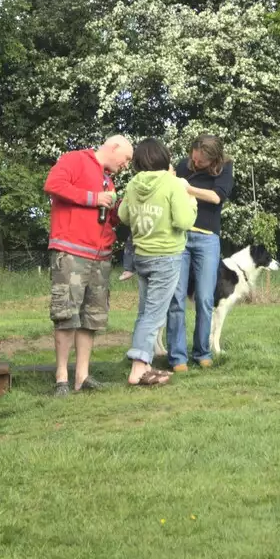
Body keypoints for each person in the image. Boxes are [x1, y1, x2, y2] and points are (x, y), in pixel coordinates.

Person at [44, 134, 133, 397]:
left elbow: (112, 218)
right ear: (113, 147)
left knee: (91, 318)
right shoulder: (75, 159)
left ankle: (82, 377)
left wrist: (122, 208)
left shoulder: (109, 179)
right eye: (126, 158)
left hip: (101, 256)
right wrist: (93, 198)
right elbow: (53, 184)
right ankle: (61, 378)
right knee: (65, 314)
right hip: (71, 251)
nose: (126, 165)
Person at [116, 137, 196, 387]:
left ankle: (146, 364)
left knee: (145, 312)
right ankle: (139, 367)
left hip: (142, 256)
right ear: (164, 157)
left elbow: (123, 216)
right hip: (166, 256)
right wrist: (191, 202)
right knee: (154, 313)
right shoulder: (172, 183)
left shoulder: (132, 184)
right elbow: (184, 221)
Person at [165, 134, 234, 372]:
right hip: (180, 236)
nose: (195, 164)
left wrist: (187, 188)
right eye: (193, 159)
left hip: (207, 239)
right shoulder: (184, 165)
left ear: (214, 160)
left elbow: (217, 197)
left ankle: (202, 352)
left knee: (205, 298)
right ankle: (177, 357)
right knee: (176, 299)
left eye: (201, 162)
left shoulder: (225, 168)